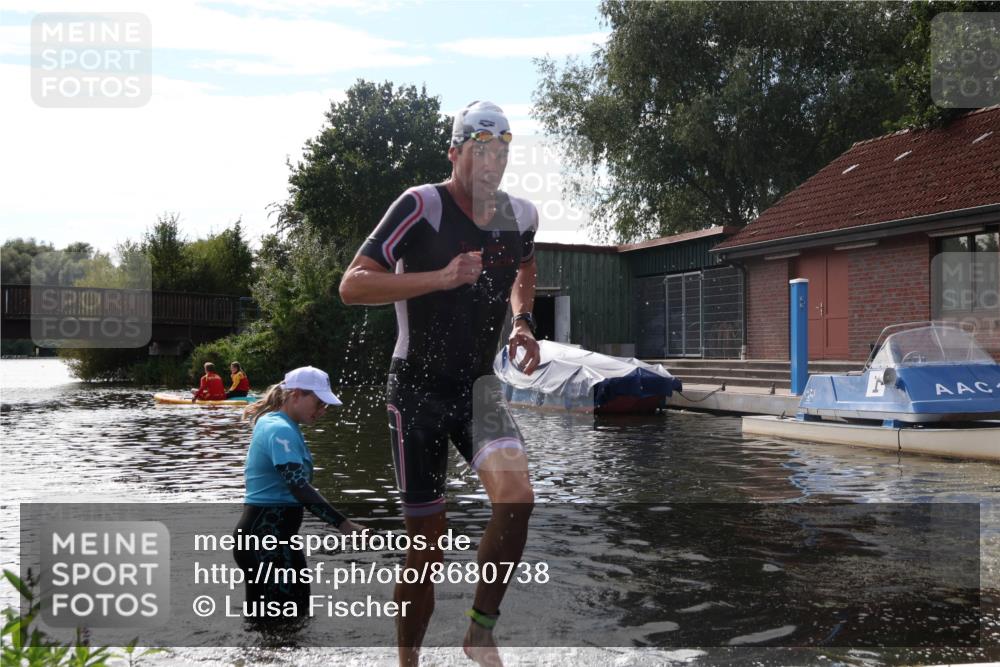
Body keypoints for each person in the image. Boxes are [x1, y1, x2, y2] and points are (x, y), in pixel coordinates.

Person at [339, 100, 540, 667]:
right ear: (455, 153)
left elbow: (525, 265)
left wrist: (522, 321)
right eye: (480, 151)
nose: (491, 162)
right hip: (417, 389)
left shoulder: (520, 216)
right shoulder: (420, 206)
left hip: (477, 386)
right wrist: (442, 277)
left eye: (501, 151)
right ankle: (408, 662)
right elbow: (353, 285)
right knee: (425, 547)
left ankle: (479, 632)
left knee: (518, 499)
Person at [232, 365, 364, 622]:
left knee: (293, 621)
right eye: (318, 402)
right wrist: (344, 524)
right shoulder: (279, 430)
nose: (323, 411)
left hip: (274, 541)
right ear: (296, 395)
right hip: (264, 542)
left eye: (326, 405)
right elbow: (298, 486)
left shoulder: (281, 425)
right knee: (279, 627)